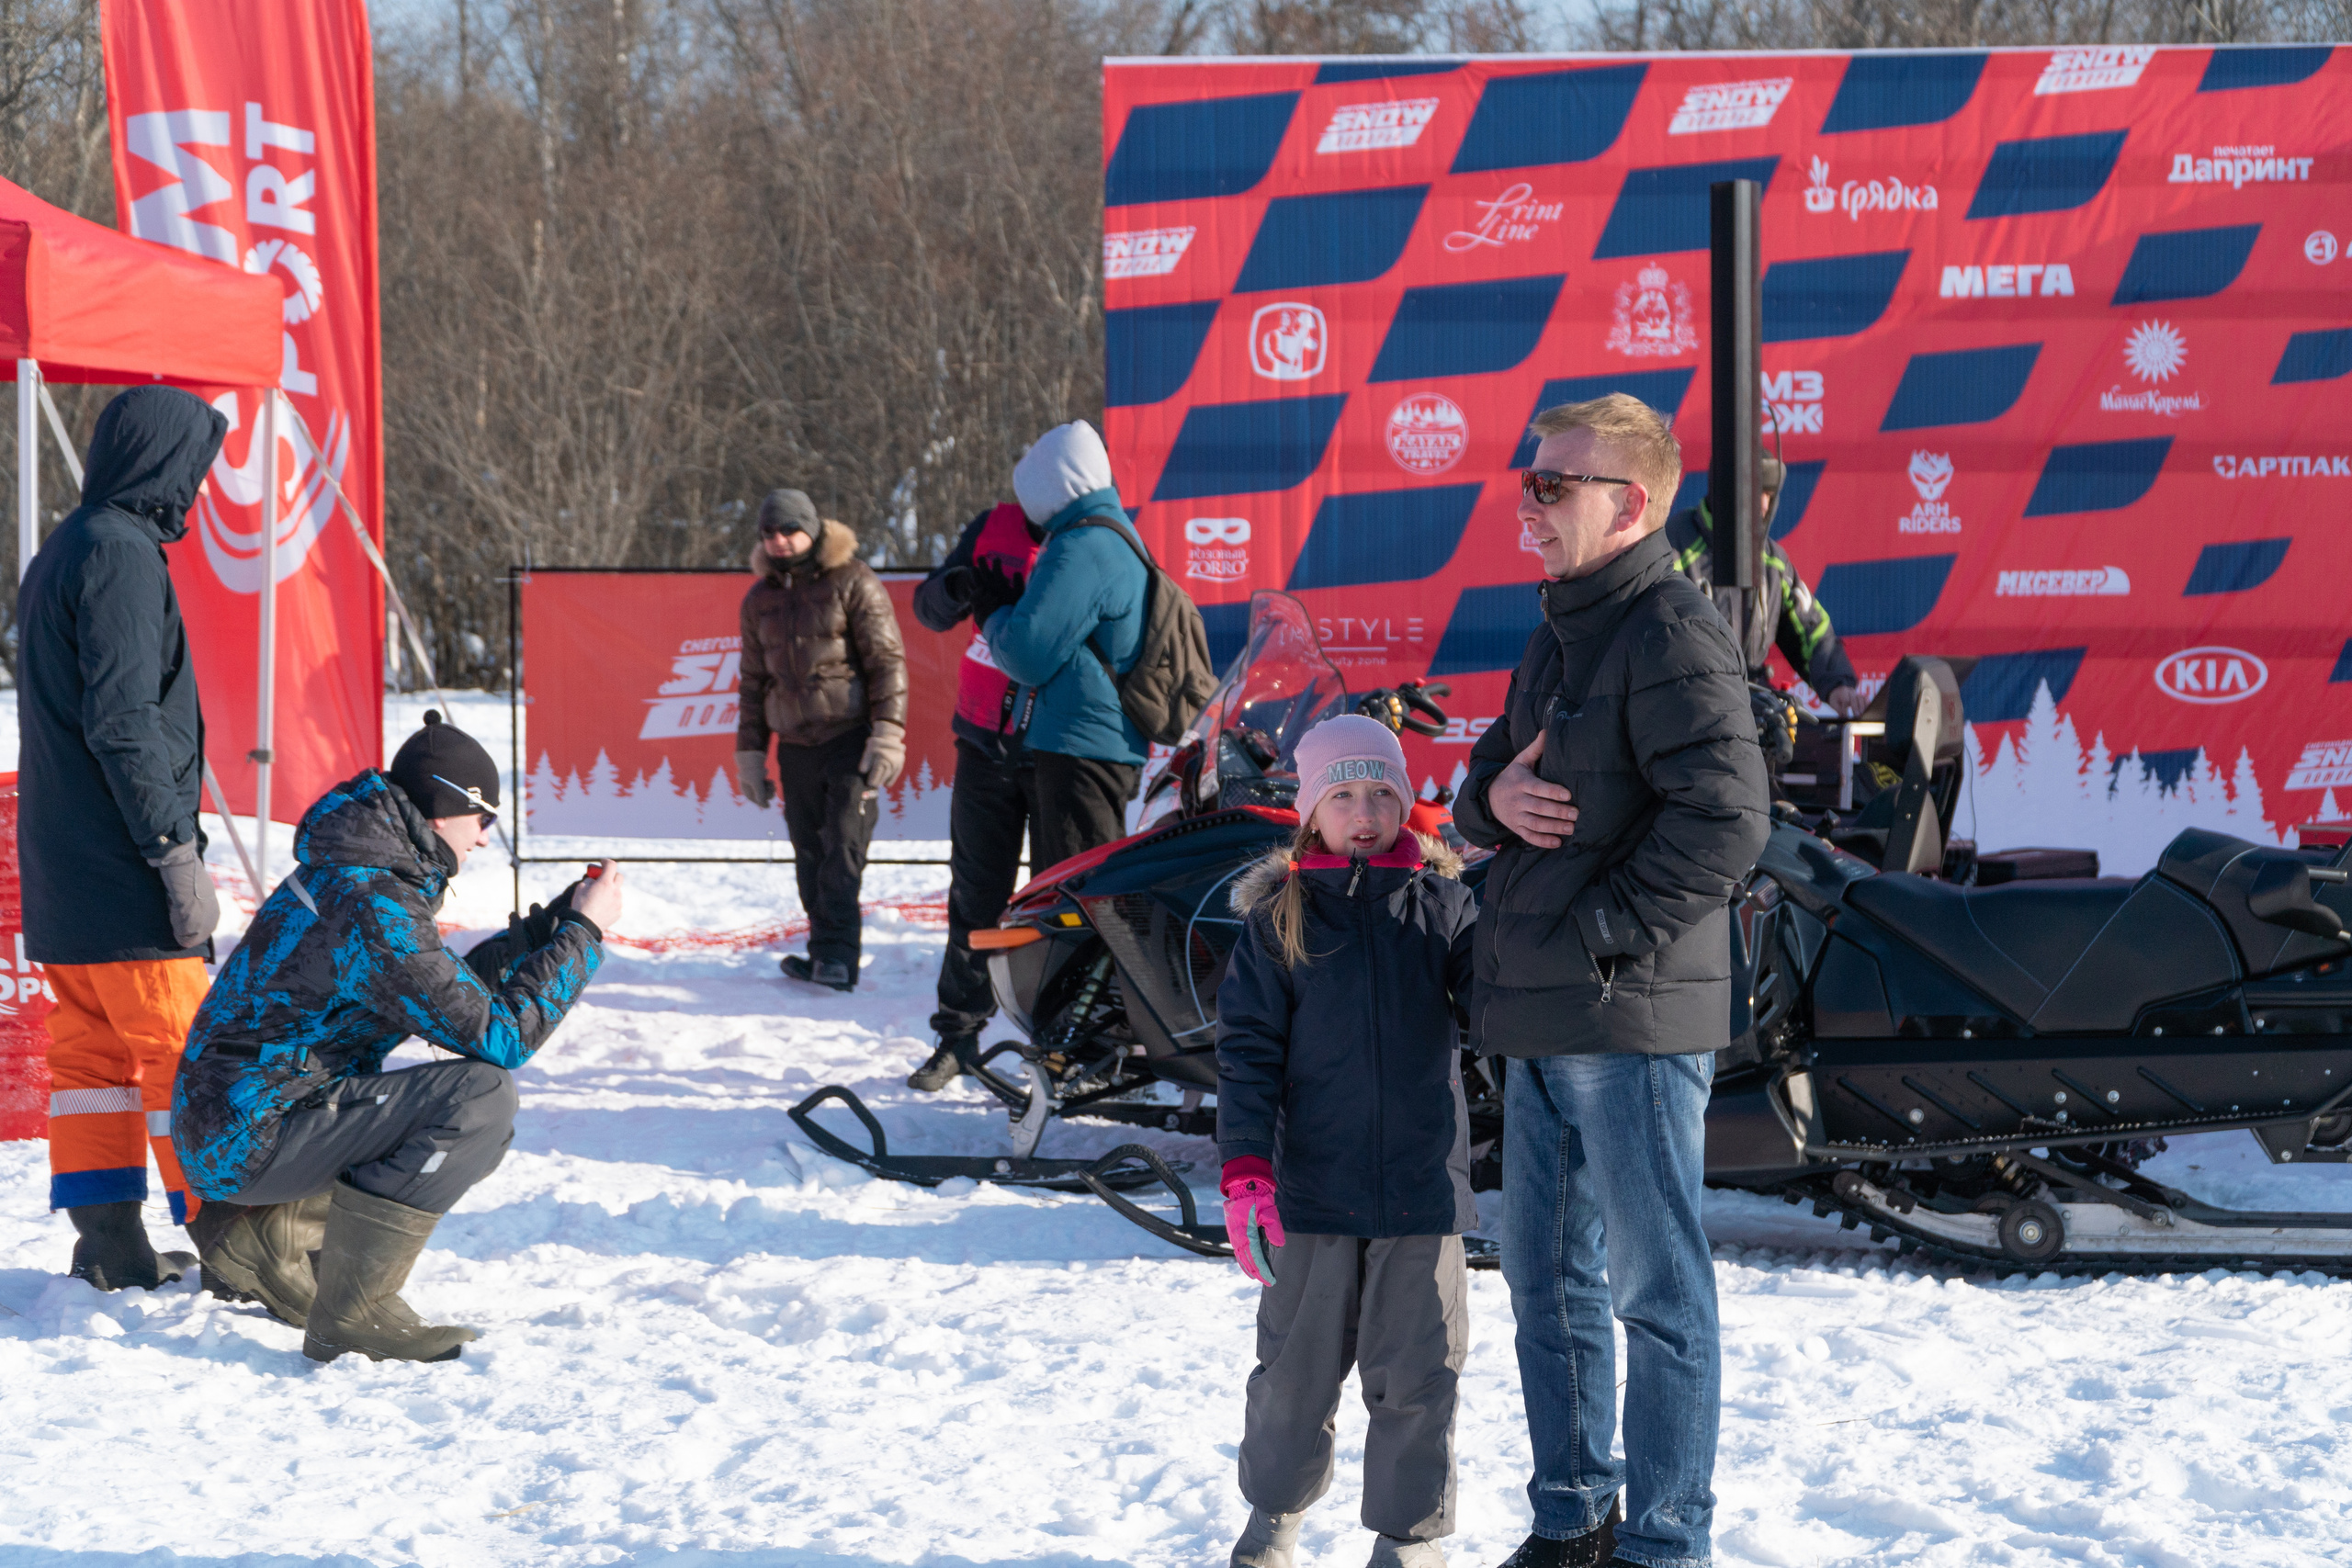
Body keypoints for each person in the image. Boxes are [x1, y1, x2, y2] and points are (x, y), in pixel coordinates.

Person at [1452, 395, 1770, 1568]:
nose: (1527, 503)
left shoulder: (1668, 629)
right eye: (1527, 479)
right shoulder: (1563, 628)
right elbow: (1487, 772)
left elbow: (1730, 820)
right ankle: (1572, 1518)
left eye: (1553, 486)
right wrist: (1487, 802)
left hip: (1620, 1014)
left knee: (1654, 1292)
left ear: (1629, 505)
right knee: (1545, 1284)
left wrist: (1602, 934)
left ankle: (1664, 1539)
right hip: (1541, 1008)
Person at [172, 713, 621, 1363]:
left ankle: (262, 1232)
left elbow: (441, 992)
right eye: (483, 817)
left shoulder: (359, 874)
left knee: (464, 1101)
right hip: (248, 1137)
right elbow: (501, 1037)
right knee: (478, 1102)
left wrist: (545, 928)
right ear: (442, 810)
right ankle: (354, 1314)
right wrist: (583, 935)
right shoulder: (371, 900)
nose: (486, 838)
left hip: (239, 1126)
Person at [1215, 715, 1479, 1568]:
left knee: (1419, 1373)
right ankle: (1273, 1520)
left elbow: (1493, 1005)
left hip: (1421, 1189)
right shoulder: (1277, 921)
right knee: (1293, 1372)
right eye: (1342, 795)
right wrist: (1247, 1172)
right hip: (1310, 1192)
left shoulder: (1445, 907)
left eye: (1380, 793)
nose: (1363, 811)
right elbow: (1247, 1054)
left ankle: (1408, 1538)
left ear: (1405, 803)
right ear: (1310, 811)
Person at [17, 386, 228, 1291]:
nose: (200, 486)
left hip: (63, 880)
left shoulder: (63, 547)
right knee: (189, 1057)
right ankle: (237, 1243)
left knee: (94, 1062)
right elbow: (126, 722)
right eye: (196, 465)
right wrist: (172, 852)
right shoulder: (121, 553)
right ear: (165, 462)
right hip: (126, 869)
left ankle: (109, 1240)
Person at [732, 490, 908, 994]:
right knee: (808, 851)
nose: (779, 541)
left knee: (842, 850)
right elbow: (752, 682)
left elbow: (887, 663)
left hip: (850, 739)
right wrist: (750, 755)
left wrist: (887, 735)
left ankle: (836, 958)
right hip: (794, 744)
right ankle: (822, 953)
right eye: (769, 533)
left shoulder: (853, 580)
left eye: (789, 530)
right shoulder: (759, 598)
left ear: (812, 529)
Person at [967, 421, 1148, 873]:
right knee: (1082, 889)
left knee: (1074, 898)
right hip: (1100, 740)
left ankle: (1078, 950)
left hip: (1079, 747)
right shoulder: (1115, 531)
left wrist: (992, 612)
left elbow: (1026, 656)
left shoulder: (1082, 546)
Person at [905, 501, 1042, 1092]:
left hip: (1060, 745)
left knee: (1063, 896)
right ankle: (958, 1037)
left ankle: (1069, 1047)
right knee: (975, 891)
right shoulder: (993, 523)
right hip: (984, 736)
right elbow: (929, 609)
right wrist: (958, 584)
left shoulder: (1095, 531)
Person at [1664, 455, 1863, 717]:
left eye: (1770, 495)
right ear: (1725, 490)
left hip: (1754, 708)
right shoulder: (1672, 545)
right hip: (1685, 708)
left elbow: (1811, 629)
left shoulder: (1773, 561)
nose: (1764, 504)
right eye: (1756, 492)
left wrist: (1838, 684)